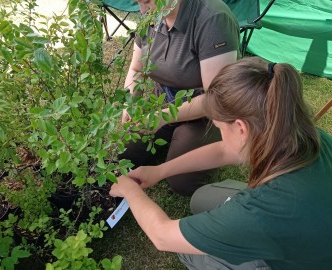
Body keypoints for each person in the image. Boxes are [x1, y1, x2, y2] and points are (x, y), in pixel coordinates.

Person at [110, 57, 332, 269]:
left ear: (241, 128)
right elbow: (225, 151)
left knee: (189, 249)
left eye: (219, 126)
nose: (220, 133)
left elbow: (162, 237)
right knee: (202, 198)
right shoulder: (302, 134)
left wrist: (130, 191)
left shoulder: (262, 209)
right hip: (307, 233)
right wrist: (160, 171)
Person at [119, 0, 241, 196]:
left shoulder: (213, 18)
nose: (142, 10)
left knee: (183, 182)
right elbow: (136, 69)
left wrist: (161, 118)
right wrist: (130, 103)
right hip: (164, 103)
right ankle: (171, 140)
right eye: (138, 2)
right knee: (125, 154)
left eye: (147, 1)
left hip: (206, 115)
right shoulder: (151, 13)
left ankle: (198, 141)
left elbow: (216, 98)